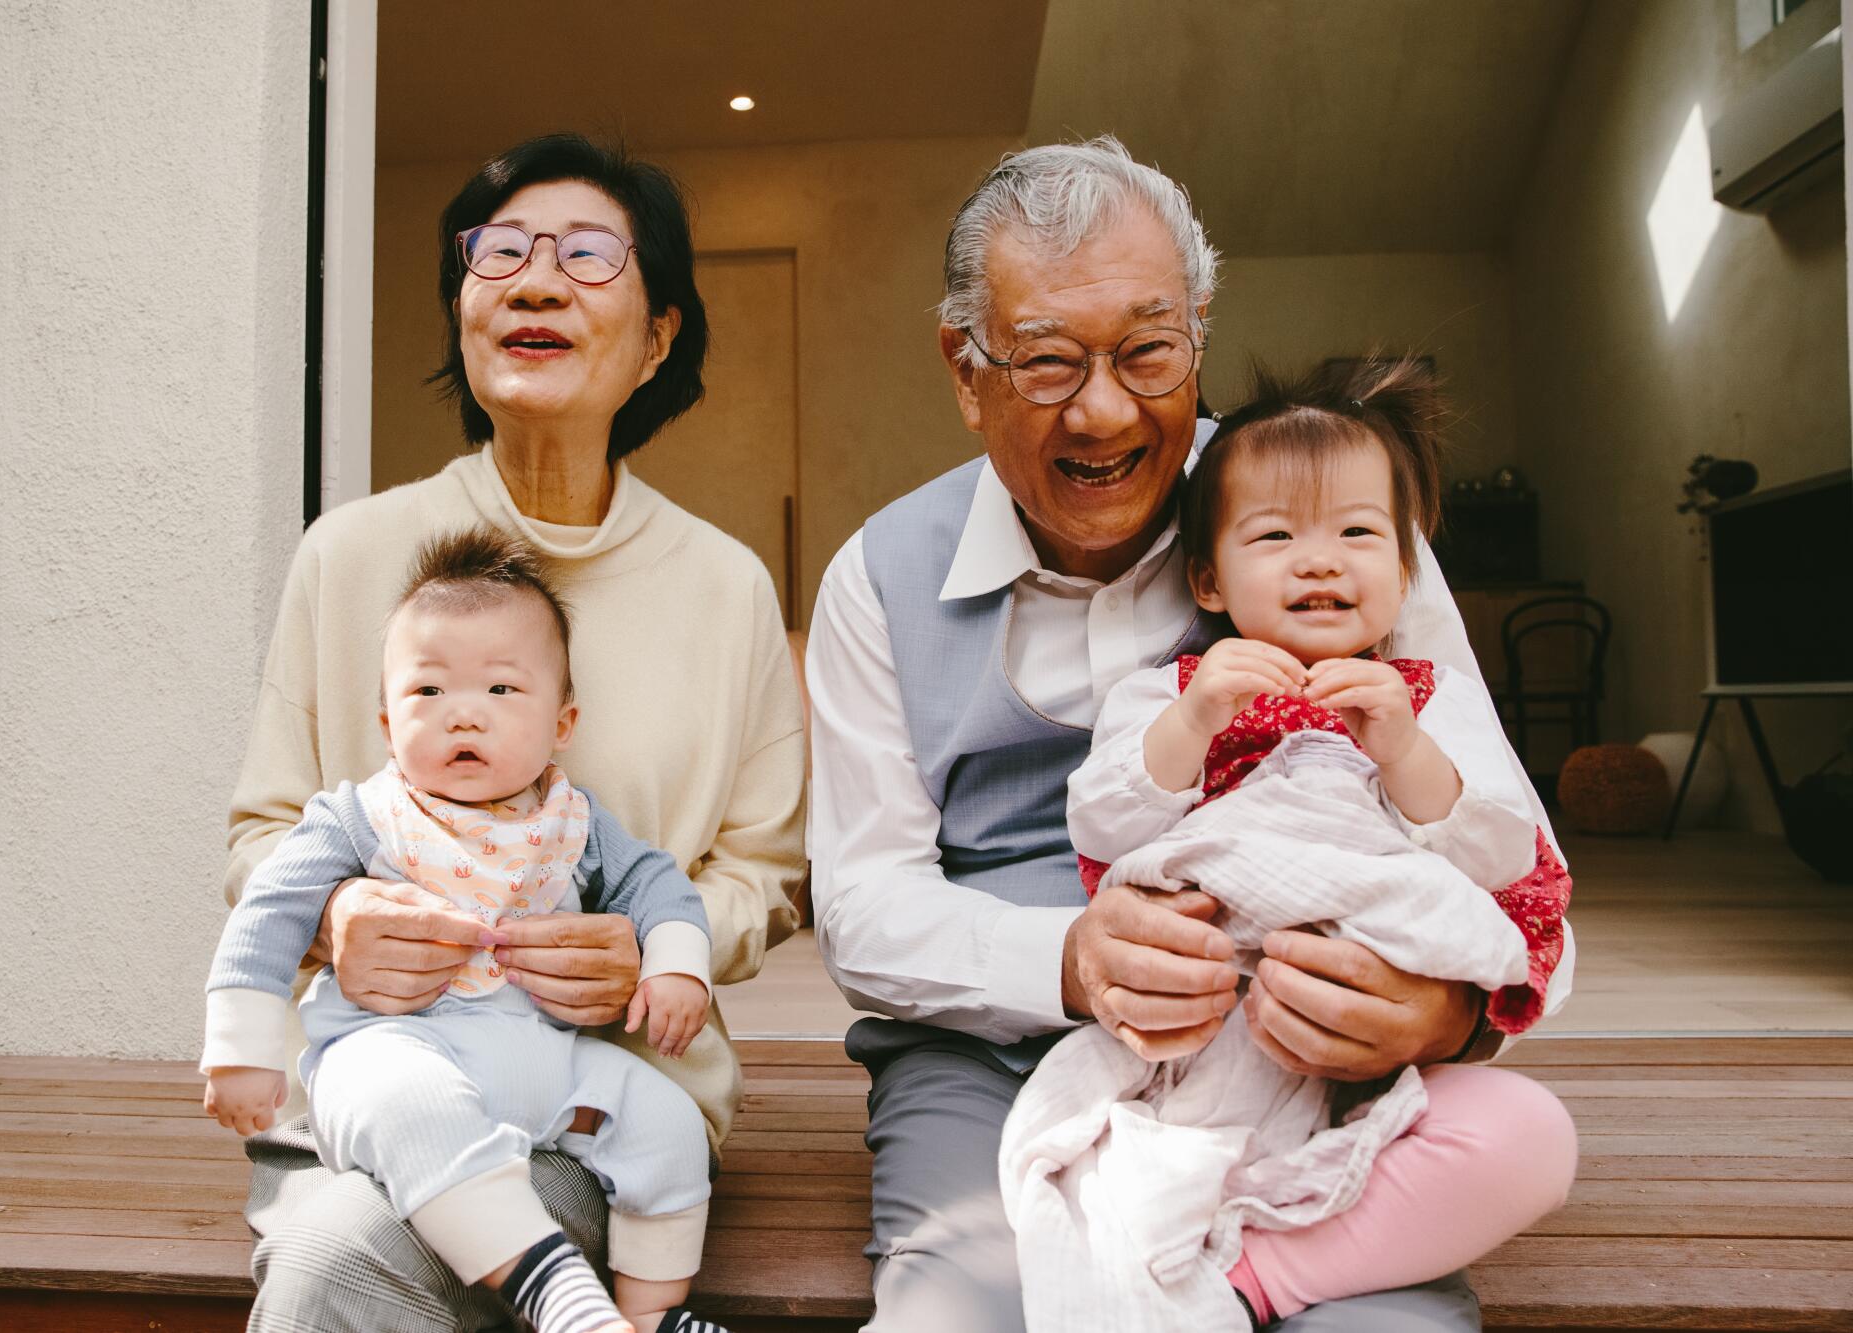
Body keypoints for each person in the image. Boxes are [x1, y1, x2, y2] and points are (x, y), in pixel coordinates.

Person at [805, 135, 1573, 1332]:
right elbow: (861, 902)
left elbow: (1515, 860)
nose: (1104, 408)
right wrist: (1068, 958)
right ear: (965, 370)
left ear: (1198, 335)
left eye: (1148, 351)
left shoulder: (1334, 527)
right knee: (963, 1313)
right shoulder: (876, 577)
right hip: (995, 1046)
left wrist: (1447, 1013)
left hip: (1310, 1054)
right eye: (1047, 361)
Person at [225, 134, 806, 1332]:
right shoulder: (348, 556)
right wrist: (337, 924)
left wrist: (648, 958)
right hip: (372, 1083)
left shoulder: (726, 585)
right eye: (498, 253)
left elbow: (765, 874)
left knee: (348, 1269)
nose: (535, 281)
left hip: (603, 1097)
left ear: (658, 336)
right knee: (342, 1247)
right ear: (462, 309)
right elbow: (264, 833)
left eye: (588, 255)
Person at [999, 358, 1576, 1332]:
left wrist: (1400, 746)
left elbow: (1496, 858)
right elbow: (1104, 827)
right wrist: (1194, 719)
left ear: (1403, 569)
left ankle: (1249, 1277)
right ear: (1209, 579)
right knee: (1114, 1158)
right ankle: (1195, 1218)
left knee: (1528, 1138)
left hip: (1368, 1067)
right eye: (1274, 536)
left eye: (1356, 533)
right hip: (1206, 1039)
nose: (1318, 560)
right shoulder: (1169, 692)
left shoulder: (1426, 701)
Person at [207, 529, 730, 1333]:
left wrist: (674, 966)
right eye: (427, 693)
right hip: (391, 1051)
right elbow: (267, 910)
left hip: (542, 1063)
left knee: (661, 1118)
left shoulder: (574, 824)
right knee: (407, 1100)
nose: (463, 714)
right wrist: (240, 1049)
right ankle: (561, 1297)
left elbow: (658, 886)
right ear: (387, 723)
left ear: (564, 721)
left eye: (499, 691)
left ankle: (651, 1312)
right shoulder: (363, 816)